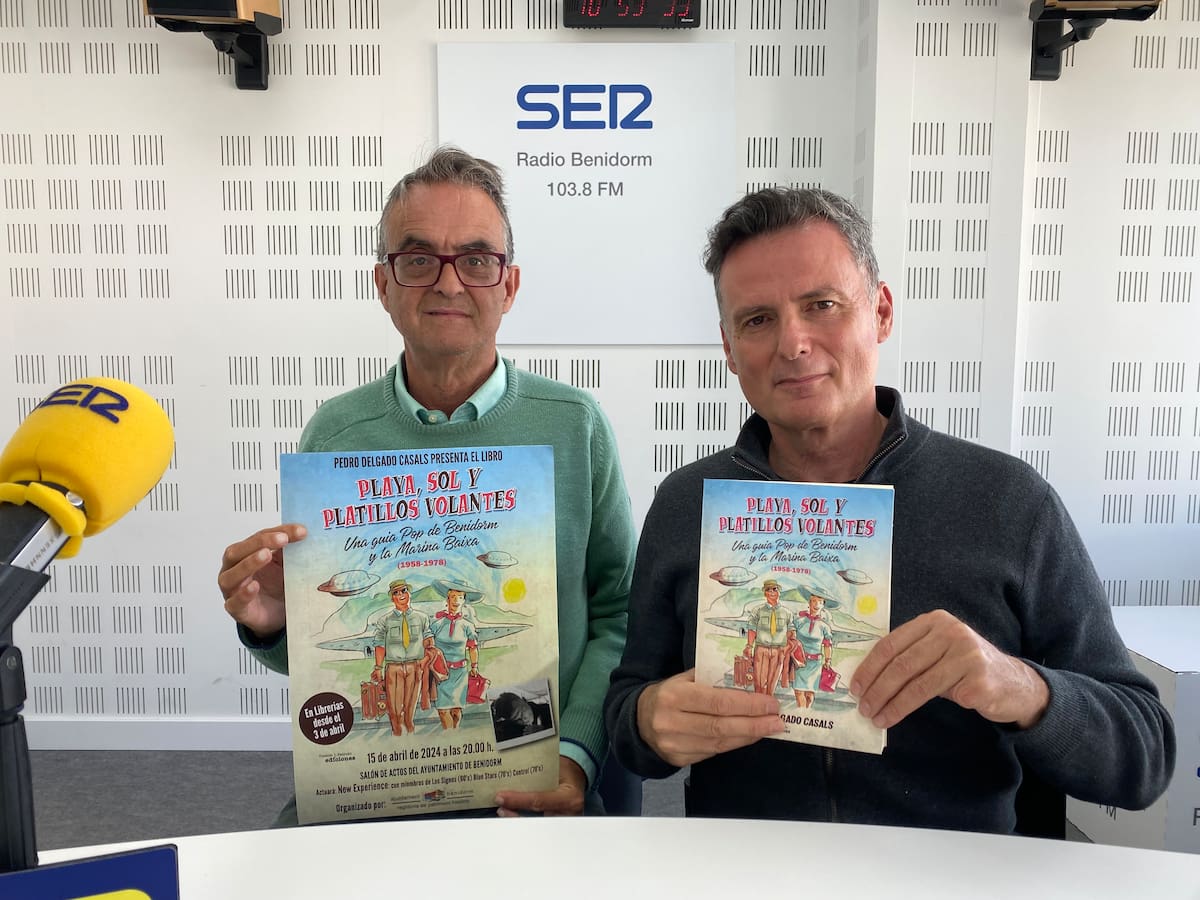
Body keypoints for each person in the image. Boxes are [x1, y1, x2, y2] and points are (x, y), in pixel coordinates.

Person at [604, 186, 1175, 834]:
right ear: (730, 349)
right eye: (757, 319)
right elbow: (627, 717)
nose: (793, 343)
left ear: (880, 312)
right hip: (746, 869)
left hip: (949, 874)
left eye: (821, 305)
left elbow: (1145, 756)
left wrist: (1020, 687)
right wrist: (648, 721)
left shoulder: (1007, 501)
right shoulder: (687, 503)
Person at [218, 146, 638, 819]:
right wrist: (275, 626)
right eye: (418, 260)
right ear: (383, 285)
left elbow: (620, 612)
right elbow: (322, 654)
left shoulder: (574, 425)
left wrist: (575, 754)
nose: (448, 284)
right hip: (379, 783)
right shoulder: (337, 434)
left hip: (532, 763)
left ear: (509, 285)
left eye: (476, 259)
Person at [371, 579, 434, 736]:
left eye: (404, 591)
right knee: (394, 710)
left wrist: (425, 660)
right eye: (396, 593)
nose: (401, 595)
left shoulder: (422, 618)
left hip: (415, 667)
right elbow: (380, 645)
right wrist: (378, 668)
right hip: (394, 668)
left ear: (409, 593)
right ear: (392, 597)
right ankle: (397, 734)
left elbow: (429, 641)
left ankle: (410, 734)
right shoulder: (384, 620)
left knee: (410, 709)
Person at [429, 581, 481, 729]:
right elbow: (428, 647)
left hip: (460, 673)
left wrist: (474, 666)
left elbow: (472, 648)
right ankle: (449, 735)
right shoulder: (437, 625)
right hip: (441, 674)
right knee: (442, 710)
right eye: (453, 596)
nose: (456, 600)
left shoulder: (467, 626)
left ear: (464, 601)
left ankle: (455, 731)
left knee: (456, 711)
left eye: (460, 597)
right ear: (447, 599)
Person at [741, 579, 791, 695]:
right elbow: (752, 629)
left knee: (772, 684)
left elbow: (791, 631)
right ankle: (759, 703)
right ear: (765, 593)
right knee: (759, 683)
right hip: (761, 649)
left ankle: (767, 703)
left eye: (775, 589)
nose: (772, 592)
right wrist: (749, 646)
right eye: (769, 590)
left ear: (779, 592)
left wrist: (786, 647)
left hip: (778, 651)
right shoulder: (757, 610)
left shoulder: (787, 613)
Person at [788, 591, 834, 709]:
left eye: (820, 602)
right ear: (809, 603)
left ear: (823, 605)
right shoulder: (798, 621)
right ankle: (802, 713)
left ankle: (806, 712)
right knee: (799, 692)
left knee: (809, 695)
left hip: (815, 664)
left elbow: (827, 645)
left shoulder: (825, 626)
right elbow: (790, 638)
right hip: (800, 662)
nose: (816, 604)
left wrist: (828, 661)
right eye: (814, 601)